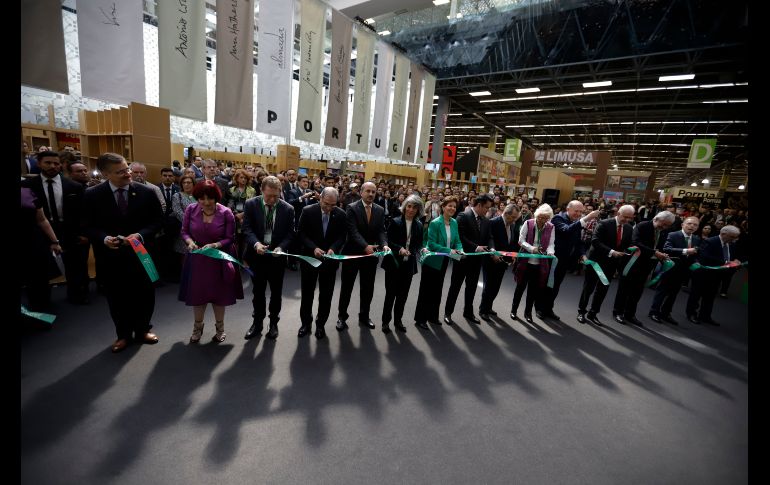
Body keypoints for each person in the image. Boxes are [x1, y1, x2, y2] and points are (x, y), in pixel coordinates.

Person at [82, 153, 163, 353]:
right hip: (110, 257)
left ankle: (143, 329)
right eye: (120, 172)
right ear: (105, 173)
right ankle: (123, 335)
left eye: (127, 168)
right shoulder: (92, 195)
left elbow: (158, 221)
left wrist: (141, 235)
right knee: (117, 297)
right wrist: (103, 238)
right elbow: (86, 226)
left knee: (144, 294)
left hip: (141, 255)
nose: (127, 173)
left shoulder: (146, 192)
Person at [179, 181, 244, 343]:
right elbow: (184, 231)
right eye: (202, 199)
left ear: (217, 197)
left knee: (219, 295)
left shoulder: (226, 212)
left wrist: (215, 245)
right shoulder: (190, 209)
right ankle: (197, 328)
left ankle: (220, 329)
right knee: (198, 294)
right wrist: (190, 242)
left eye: (210, 199)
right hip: (197, 258)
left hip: (219, 259)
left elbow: (230, 238)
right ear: (197, 198)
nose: (206, 202)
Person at [21, 150, 88, 304]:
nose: (53, 166)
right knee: (39, 270)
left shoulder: (74, 186)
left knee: (75, 266)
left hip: (70, 232)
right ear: (39, 164)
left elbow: (82, 213)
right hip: (39, 234)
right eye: (48, 163)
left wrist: (84, 233)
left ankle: (77, 296)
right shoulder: (27, 185)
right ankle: (41, 302)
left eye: (56, 163)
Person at [242, 175, 295, 340]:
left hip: (277, 258)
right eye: (269, 195)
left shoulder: (288, 209)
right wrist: (256, 244)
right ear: (261, 191)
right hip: (256, 256)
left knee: (276, 292)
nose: (272, 199)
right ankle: (257, 323)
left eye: (276, 195)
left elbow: (290, 234)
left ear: (280, 192)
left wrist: (281, 247)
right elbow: (247, 229)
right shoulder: (251, 204)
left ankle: (273, 323)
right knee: (258, 292)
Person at [336, 182, 390, 331]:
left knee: (368, 288)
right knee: (347, 287)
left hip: (371, 256)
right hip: (352, 254)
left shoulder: (379, 210)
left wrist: (384, 244)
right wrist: (365, 246)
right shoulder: (351, 208)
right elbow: (352, 231)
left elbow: (381, 231)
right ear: (361, 192)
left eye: (373, 192)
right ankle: (342, 317)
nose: (371, 194)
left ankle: (364, 316)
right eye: (368, 191)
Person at [536, 200, 600, 320]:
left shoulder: (577, 222)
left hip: (565, 260)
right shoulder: (558, 218)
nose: (579, 213)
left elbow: (579, 242)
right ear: (568, 209)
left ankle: (548, 308)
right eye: (576, 211)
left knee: (556, 286)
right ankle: (539, 308)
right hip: (552, 259)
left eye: (581, 212)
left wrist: (582, 254)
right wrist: (586, 218)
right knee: (546, 284)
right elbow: (567, 230)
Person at [297, 187, 347, 339]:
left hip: (329, 262)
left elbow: (342, 236)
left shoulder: (341, 214)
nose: (329, 208)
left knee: (326, 295)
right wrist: (313, 248)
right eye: (326, 204)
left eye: (333, 205)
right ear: (320, 199)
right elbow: (301, 234)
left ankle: (321, 324)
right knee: (307, 293)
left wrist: (333, 248)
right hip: (310, 259)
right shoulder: (307, 211)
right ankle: (306, 323)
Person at [611, 210, 674, 326]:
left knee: (637, 292)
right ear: (656, 219)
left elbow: (660, 247)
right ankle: (618, 313)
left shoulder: (664, 231)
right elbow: (635, 243)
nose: (664, 227)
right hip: (632, 263)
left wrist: (663, 256)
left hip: (647, 266)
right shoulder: (643, 225)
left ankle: (630, 314)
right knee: (624, 290)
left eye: (667, 225)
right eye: (663, 224)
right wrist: (655, 253)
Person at [576, 204, 636, 326]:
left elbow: (626, 244)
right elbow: (595, 241)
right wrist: (612, 252)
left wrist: (631, 248)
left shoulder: (629, 228)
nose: (627, 220)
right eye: (625, 217)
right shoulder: (604, 223)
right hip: (596, 263)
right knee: (589, 288)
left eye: (630, 218)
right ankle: (581, 312)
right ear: (618, 213)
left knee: (602, 290)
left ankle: (593, 313)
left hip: (611, 265)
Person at [414, 196, 463, 329]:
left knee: (437, 290)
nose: (452, 208)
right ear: (443, 207)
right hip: (431, 261)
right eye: (449, 206)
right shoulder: (435, 223)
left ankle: (432, 316)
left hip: (444, 261)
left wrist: (460, 249)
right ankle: (420, 319)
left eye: (454, 206)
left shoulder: (454, 222)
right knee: (426, 291)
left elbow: (457, 240)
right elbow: (432, 244)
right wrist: (450, 250)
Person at [444, 194, 493, 325]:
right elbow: (460, 237)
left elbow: (489, 237)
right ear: (479, 205)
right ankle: (448, 313)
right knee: (455, 286)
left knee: (471, 288)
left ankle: (468, 312)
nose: (487, 211)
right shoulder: (463, 216)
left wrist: (492, 248)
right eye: (486, 208)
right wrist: (476, 247)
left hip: (476, 261)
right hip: (462, 259)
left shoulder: (486, 220)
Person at [381, 195, 424, 333]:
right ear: (404, 207)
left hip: (408, 265)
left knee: (403, 295)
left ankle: (398, 321)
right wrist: (399, 249)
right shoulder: (395, 221)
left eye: (414, 207)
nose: (411, 210)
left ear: (418, 210)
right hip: (394, 264)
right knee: (390, 295)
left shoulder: (419, 225)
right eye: (409, 206)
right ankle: (385, 322)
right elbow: (389, 240)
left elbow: (417, 244)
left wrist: (419, 249)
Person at [649, 216, 701, 325]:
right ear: (683, 224)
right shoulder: (673, 234)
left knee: (674, 293)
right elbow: (667, 249)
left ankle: (666, 313)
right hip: (670, 267)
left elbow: (695, 254)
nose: (692, 226)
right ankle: (654, 312)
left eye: (695, 225)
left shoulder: (696, 238)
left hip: (683, 270)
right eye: (689, 223)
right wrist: (685, 250)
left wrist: (696, 261)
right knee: (662, 291)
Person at [686, 225, 742, 326]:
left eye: (735, 237)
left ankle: (705, 316)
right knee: (696, 295)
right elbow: (704, 257)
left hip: (718, 275)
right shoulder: (710, 241)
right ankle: (691, 314)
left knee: (710, 296)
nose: (734, 239)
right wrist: (726, 262)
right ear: (723, 234)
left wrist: (736, 262)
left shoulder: (732, 244)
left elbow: (733, 257)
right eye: (732, 237)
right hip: (704, 273)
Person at [511, 204, 556, 323]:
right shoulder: (528, 223)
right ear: (537, 215)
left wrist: (551, 252)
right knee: (520, 287)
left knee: (533, 290)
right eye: (541, 217)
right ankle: (513, 310)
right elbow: (521, 240)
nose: (542, 220)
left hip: (539, 264)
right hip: (525, 261)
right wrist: (532, 249)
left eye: (546, 218)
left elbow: (551, 243)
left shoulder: (551, 227)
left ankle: (528, 313)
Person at [21, 186, 62, 312]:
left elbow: (42, 220)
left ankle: (41, 313)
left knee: (39, 280)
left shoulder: (27, 191)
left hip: (33, 240)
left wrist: (55, 241)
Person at [479, 204, 522, 320]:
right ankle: (483, 310)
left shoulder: (512, 225)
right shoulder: (493, 222)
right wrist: (493, 253)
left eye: (515, 218)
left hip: (503, 261)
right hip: (490, 260)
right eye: (512, 217)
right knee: (488, 286)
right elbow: (488, 239)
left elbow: (512, 242)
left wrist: (513, 255)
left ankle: (489, 306)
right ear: (506, 213)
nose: (514, 220)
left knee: (496, 286)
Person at [226, 169, 257, 258]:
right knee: (235, 240)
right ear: (237, 179)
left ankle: (242, 258)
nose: (243, 180)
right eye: (241, 177)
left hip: (246, 217)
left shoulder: (252, 190)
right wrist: (236, 215)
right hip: (234, 217)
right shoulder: (231, 189)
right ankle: (234, 258)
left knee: (244, 240)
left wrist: (242, 215)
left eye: (245, 178)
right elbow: (229, 203)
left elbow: (253, 206)